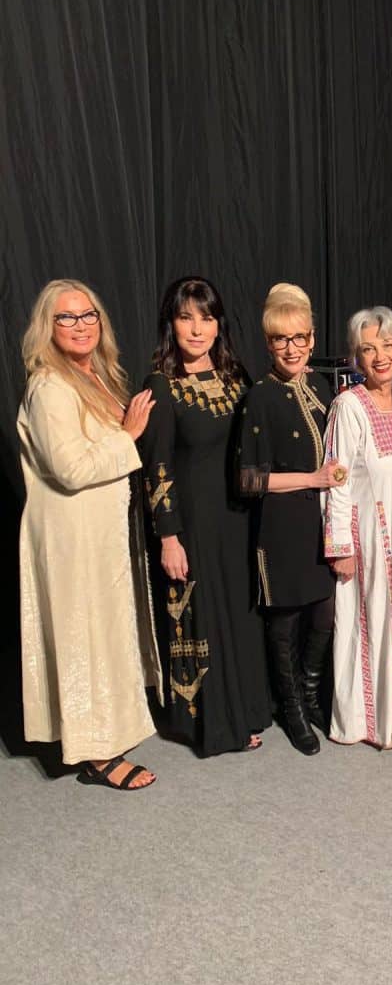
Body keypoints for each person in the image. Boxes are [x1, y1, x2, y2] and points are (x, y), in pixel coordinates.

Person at [17, 279, 161, 790]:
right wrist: (129, 435)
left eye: (88, 315)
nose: (80, 326)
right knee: (83, 639)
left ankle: (107, 735)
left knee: (105, 634)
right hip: (70, 536)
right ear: (47, 327)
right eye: (66, 317)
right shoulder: (50, 387)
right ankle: (96, 755)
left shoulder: (96, 375)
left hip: (99, 533)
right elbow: (71, 469)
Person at [139, 277, 271, 756]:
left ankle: (249, 708)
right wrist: (168, 538)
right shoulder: (161, 384)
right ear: (170, 324)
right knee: (205, 617)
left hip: (238, 520)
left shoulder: (237, 376)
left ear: (219, 324)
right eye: (185, 317)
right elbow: (156, 467)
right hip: (193, 525)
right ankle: (215, 726)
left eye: (206, 317)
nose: (197, 329)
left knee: (240, 613)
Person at [239, 283, 342, 756]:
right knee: (284, 623)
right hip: (280, 527)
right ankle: (292, 707)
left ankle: (310, 691)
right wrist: (312, 478)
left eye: (299, 337)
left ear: (313, 339)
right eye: (281, 339)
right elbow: (248, 479)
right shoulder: (259, 397)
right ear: (268, 344)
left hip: (320, 522)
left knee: (324, 612)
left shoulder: (320, 386)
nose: (292, 348)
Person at [322, 307, 392, 748]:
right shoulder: (348, 406)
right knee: (374, 621)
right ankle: (371, 720)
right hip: (372, 535)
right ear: (356, 358)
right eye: (368, 349)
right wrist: (340, 546)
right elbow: (337, 479)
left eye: (387, 345)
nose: (380, 356)